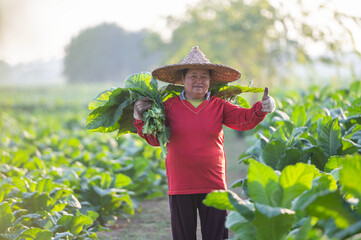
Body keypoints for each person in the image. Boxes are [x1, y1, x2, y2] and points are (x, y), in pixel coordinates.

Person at [133, 46, 276, 240]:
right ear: (182, 80)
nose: (198, 81)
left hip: (213, 182)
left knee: (216, 235)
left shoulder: (219, 105)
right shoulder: (168, 107)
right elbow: (154, 139)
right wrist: (138, 117)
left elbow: (245, 119)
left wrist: (262, 108)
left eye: (204, 77)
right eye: (193, 76)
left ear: (210, 81)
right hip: (181, 182)